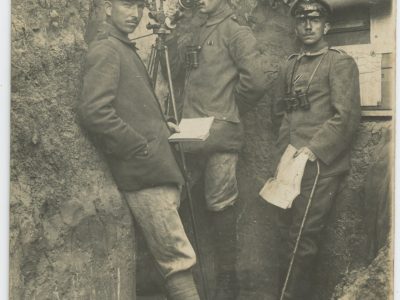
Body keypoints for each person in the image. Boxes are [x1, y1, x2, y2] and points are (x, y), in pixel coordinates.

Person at [77, 0, 200, 299]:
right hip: (144, 174)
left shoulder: (122, 47)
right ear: (107, 7)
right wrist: (138, 145)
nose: (135, 15)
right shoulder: (107, 49)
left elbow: (131, 107)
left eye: (140, 7)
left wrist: (160, 127)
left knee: (171, 258)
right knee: (177, 260)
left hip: (154, 168)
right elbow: (95, 112)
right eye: (127, 5)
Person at [165, 0, 267, 299]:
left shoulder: (235, 31)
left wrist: (231, 109)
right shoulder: (196, 29)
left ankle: (228, 279)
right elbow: (173, 71)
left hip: (220, 133)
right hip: (189, 131)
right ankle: (187, 278)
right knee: (179, 200)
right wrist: (172, 31)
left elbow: (257, 80)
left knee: (219, 202)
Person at [272, 0, 361, 298]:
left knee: (302, 237)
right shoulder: (291, 64)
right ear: (296, 26)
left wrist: (312, 151)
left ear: (327, 26)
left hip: (319, 164)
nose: (308, 25)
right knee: (285, 232)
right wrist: (283, 153)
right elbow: (283, 113)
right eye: (301, 19)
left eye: (314, 19)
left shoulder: (339, 63)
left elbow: (345, 117)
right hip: (291, 160)